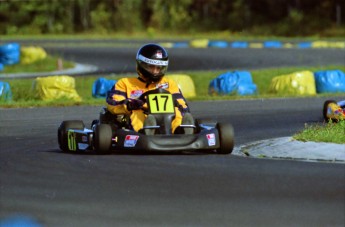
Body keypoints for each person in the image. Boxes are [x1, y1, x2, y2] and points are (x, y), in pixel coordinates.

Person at [106, 43, 193, 135]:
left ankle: (180, 131)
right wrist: (130, 104)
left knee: (176, 111)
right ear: (142, 65)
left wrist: (178, 104)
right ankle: (144, 132)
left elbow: (183, 104)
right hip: (139, 117)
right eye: (151, 67)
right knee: (137, 113)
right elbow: (112, 103)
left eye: (158, 68)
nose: (155, 71)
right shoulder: (125, 83)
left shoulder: (169, 83)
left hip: (167, 117)